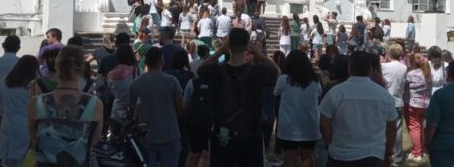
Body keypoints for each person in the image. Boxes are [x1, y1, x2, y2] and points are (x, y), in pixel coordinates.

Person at [197, 28, 279, 167]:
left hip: (222, 134)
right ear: (247, 46)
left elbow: (200, 70)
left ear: (228, 45)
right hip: (251, 134)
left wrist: (220, 51)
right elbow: (276, 71)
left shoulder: (216, 70)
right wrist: (257, 53)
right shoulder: (257, 72)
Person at [28, 46, 103, 167]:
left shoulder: (36, 102)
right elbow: (93, 141)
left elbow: (33, 137)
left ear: (57, 67)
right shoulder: (95, 104)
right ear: (81, 68)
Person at [319, 51, 396, 167]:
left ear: (350, 69)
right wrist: (388, 152)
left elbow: (323, 123)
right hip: (373, 155)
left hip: (340, 154)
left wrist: (331, 143)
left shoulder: (335, 93)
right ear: (370, 69)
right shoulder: (384, 96)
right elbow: (392, 128)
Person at [130, 47, 183, 167]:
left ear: (146, 62)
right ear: (162, 61)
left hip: (146, 135)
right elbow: (180, 107)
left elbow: (133, 111)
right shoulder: (172, 81)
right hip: (169, 133)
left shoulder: (135, 84)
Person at [274, 50, 321, 167]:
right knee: (308, 157)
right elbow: (319, 94)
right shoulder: (315, 80)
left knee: (289, 158)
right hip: (310, 124)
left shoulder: (284, 79)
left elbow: (276, 93)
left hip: (289, 126)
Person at [0, 55, 39, 167]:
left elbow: (0, 108)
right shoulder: (33, 86)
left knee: (7, 161)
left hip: (7, 127)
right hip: (26, 129)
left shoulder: (4, 82)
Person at [0, 35, 20, 151]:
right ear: (18, 48)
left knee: (0, 134)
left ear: (3, 46)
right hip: (19, 106)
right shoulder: (21, 63)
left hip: (0, 105)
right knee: (16, 136)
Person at [382, 44, 408, 167]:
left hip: (386, 99)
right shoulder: (404, 67)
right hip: (398, 100)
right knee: (397, 129)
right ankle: (397, 156)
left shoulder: (384, 66)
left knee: (384, 128)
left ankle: (386, 153)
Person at [404, 52, 432, 162]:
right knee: (420, 126)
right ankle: (421, 148)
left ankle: (417, 152)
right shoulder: (428, 73)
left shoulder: (411, 74)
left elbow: (404, 86)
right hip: (425, 104)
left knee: (414, 127)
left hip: (413, 104)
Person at [107, 45, 140, 133]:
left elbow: (111, 89)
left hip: (117, 112)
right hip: (135, 112)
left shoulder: (111, 74)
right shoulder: (138, 71)